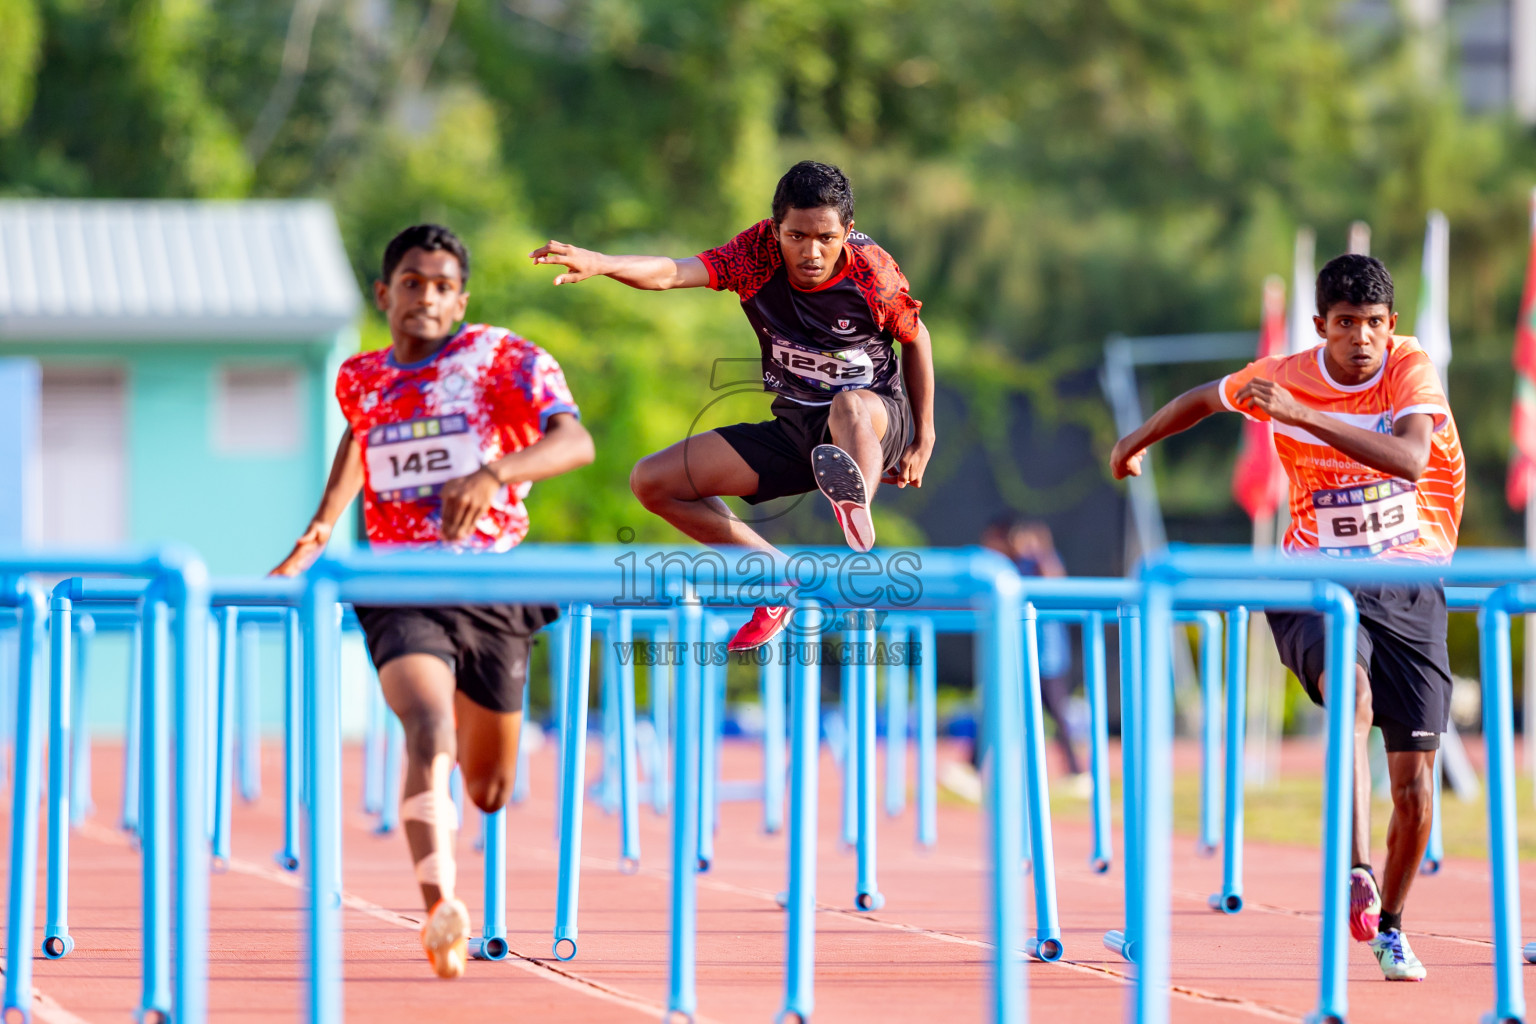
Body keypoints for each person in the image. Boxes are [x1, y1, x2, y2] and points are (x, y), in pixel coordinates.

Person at [1110, 253, 1464, 982]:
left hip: (1409, 583)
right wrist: (1134, 443)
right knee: (1351, 698)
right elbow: (1207, 399)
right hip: (1315, 579)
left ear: (1390, 326)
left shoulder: (1409, 369)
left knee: (1415, 788)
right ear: (1320, 327)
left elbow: (1408, 458)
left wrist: (1306, 416)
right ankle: (1356, 869)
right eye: (1345, 325)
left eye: (1372, 324)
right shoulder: (1285, 371)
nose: (1360, 338)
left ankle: (1390, 924)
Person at [271, 224, 595, 978]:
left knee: (489, 787)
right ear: (386, 295)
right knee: (425, 724)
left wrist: (495, 474)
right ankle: (440, 905)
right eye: (412, 283)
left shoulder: (501, 357)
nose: (427, 297)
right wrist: (317, 535)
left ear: (462, 300)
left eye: (443, 285)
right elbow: (362, 437)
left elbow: (574, 444)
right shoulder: (359, 376)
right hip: (400, 585)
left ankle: (463, 823)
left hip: (492, 586)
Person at [529, 161, 935, 650]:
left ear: (847, 231)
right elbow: (672, 273)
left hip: (873, 419)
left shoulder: (873, 274)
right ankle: (777, 578)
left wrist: (923, 435)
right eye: (796, 236)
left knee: (846, 406)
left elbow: (917, 338)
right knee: (654, 481)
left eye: (826, 238)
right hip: (795, 425)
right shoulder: (755, 253)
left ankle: (854, 501)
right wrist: (603, 263)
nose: (811, 253)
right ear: (776, 228)